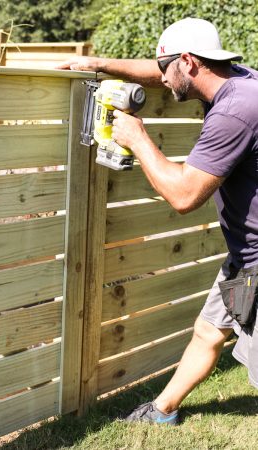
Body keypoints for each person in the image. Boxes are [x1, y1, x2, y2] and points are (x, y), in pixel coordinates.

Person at [56, 18, 258, 425]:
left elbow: (184, 196)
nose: (161, 80)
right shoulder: (232, 77)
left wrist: (137, 138)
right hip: (245, 257)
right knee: (209, 330)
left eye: (167, 69)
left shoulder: (235, 112)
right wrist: (97, 63)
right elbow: (157, 71)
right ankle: (161, 411)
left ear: (189, 61)